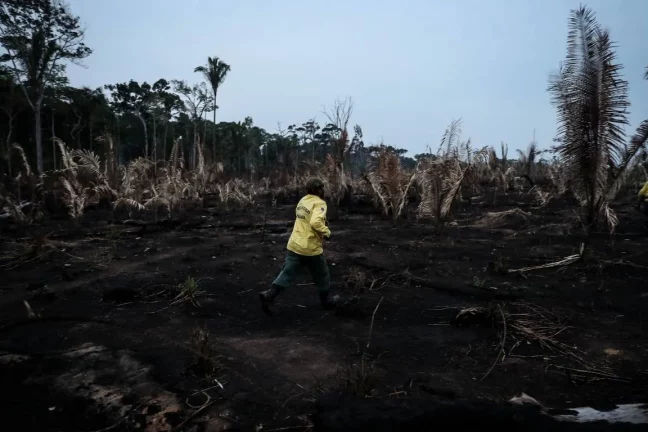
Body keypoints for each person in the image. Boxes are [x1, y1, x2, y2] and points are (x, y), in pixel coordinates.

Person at [260, 178, 340, 315]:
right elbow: (315, 223)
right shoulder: (319, 203)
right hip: (310, 248)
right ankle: (327, 302)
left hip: (295, 244)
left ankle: (269, 295)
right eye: (322, 188)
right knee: (322, 274)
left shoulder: (303, 200)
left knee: (287, 273)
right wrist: (326, 232)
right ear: (318, 189)